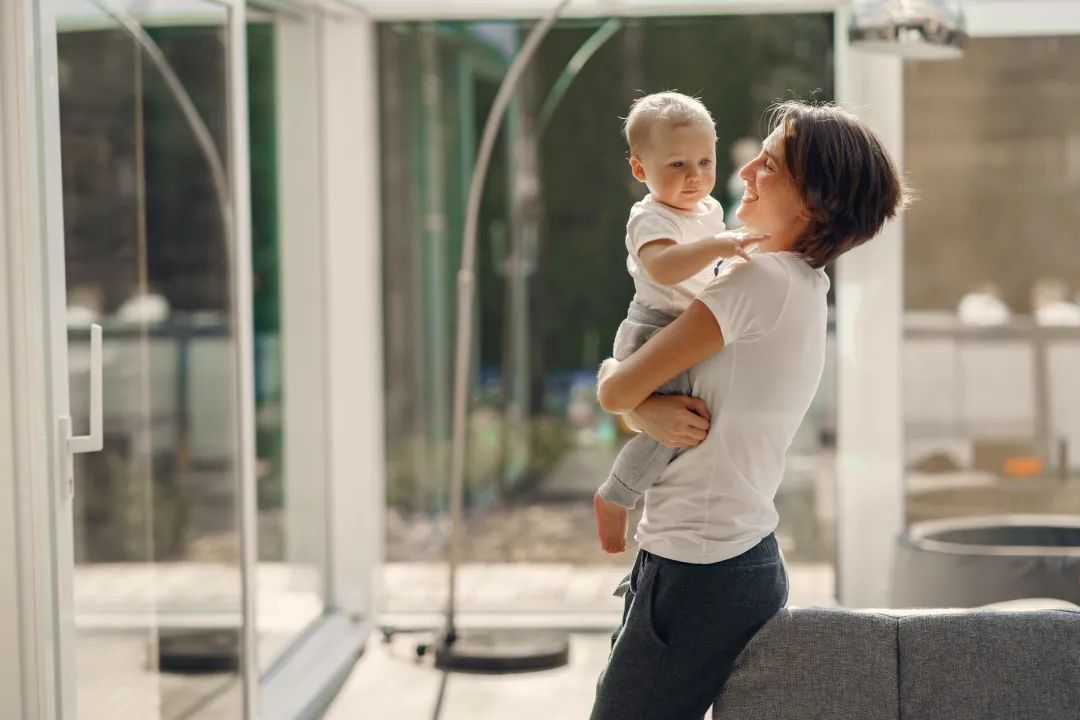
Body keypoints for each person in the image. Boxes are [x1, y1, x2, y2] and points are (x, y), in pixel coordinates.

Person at [589, 100, 908, 720]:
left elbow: (614, 392)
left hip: (699, 569)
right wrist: (647, 413)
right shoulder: (799, 282)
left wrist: (634, 404)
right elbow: (672, 399)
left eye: (773, 162)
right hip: (718, 558)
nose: (746, 170)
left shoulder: (759, 283)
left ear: (812, 201)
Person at [593, 91, 765, 554]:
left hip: (683, 324)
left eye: (705, 162)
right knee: (672, 432)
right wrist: (720, 247)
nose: (695, 177)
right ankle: (617, 495)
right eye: (676, 165)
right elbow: (665, 269)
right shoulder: (649, 217)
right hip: (654, 327)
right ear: (639, 170)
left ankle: (625, 493)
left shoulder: (708, 209)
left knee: (677, 426)